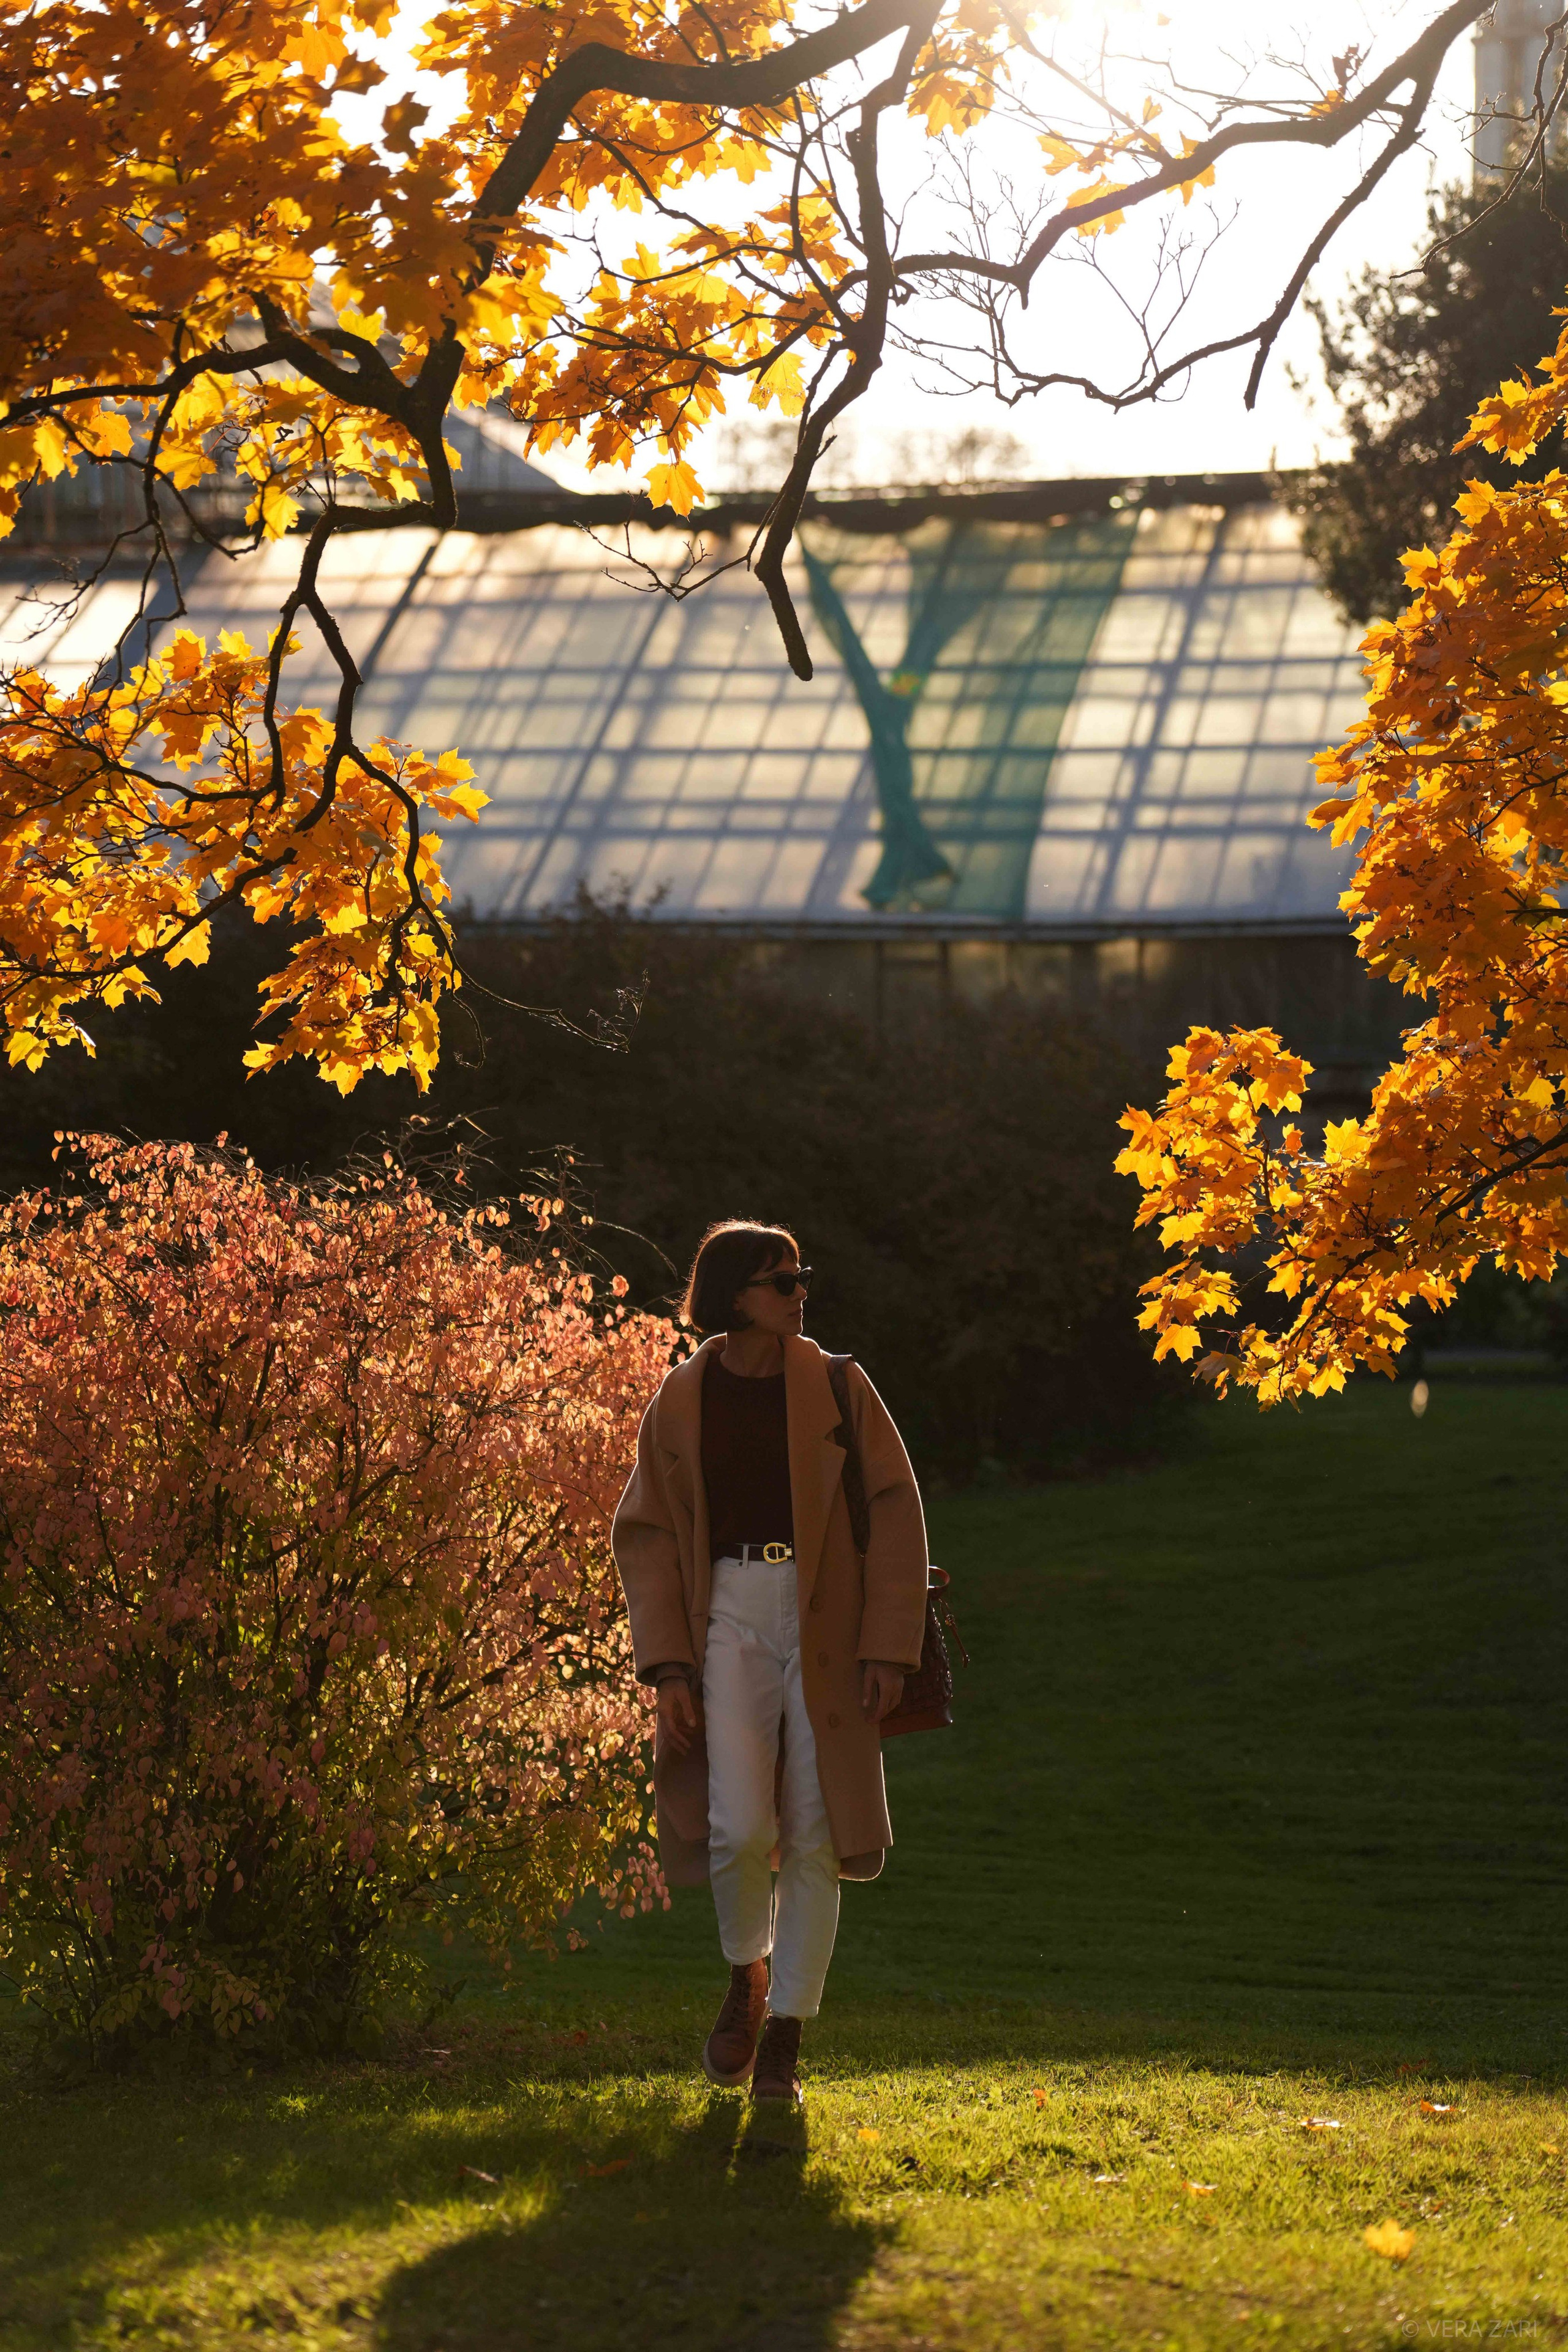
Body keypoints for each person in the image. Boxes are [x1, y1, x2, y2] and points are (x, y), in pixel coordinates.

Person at [612, 1219, 930, 2106]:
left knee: (817, 1831)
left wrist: (887, 1645)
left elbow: (895, 1508)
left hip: (830, 1614)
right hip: (729, 1611)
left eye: (801, 1277)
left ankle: (786, 2029)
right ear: (733, 1297)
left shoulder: (838, 1384)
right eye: (781, 1281)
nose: (800, 1293)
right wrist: (668, 1666)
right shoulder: (683, 1397)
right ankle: (745, 1973)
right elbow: (646, 1532)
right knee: (739, 1826)